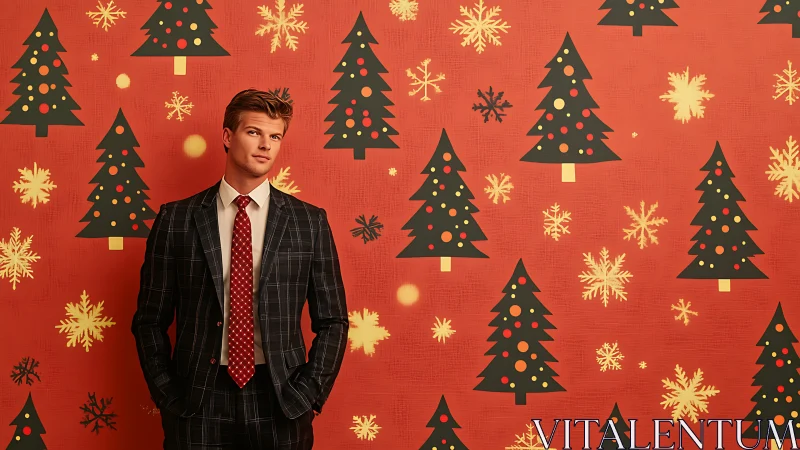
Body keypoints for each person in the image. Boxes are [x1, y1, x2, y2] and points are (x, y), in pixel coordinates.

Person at [131, 88, 349, 449]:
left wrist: (308, 395)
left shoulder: (309, 222)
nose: (266, 145)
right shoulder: (176, 220)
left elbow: (333, 321)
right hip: (197, 400)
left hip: (281, 399)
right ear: (228, 136)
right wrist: (168, 395)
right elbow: (149, 321)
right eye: (254, 132)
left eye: (275, 136)